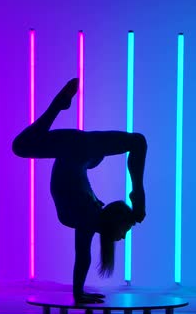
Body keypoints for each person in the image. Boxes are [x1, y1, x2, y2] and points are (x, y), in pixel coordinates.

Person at [12, 78, 147, 303]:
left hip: (82, 152)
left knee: (22, 146)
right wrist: (138, 197)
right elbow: (82, 256)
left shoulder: (89, 218)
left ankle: (58, 106)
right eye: (125, 231)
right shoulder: (89, 215)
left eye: (124, 231)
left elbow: (83, 255)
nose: (122, 237)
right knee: (20, 146)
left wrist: (78, 294)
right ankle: (58, 105)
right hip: (81, 148)